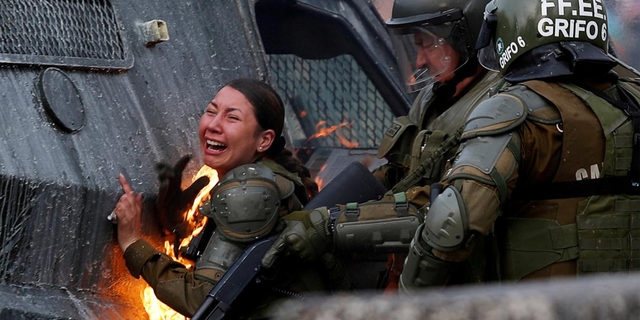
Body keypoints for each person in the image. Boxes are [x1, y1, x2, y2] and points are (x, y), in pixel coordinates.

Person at [398, 0, 640, 291]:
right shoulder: (633, 99)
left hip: (536, 306)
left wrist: (407, 298)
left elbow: (453, 223)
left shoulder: (510, 109)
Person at [261, 0, 503, 289]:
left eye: (428, 44)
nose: (419, 62)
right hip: (410, 266)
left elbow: (447, 205)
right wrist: (320, 211)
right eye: (416, 47)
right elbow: (399, 174)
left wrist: (330, 224)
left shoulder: (497, 106)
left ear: (464, 37)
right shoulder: (433, 97)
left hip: (462, 278)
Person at [112, 78, 337, 318]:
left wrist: (133, 244)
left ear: (264, 140)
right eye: (211, 112)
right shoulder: (270, 177)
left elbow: (204, 302)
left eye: (232, 118)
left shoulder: (249, 190)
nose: (213, 125)